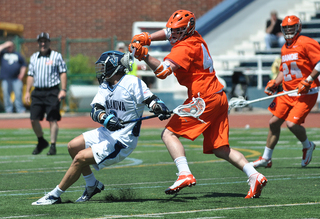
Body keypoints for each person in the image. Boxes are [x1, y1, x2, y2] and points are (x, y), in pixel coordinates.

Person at [129, 9, 267, 198]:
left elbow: (162, 72)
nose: (173, 34)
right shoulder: (194, 36)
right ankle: (254, 175)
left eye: (178, 31)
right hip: (218, 95)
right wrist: (148, 37)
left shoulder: (184, 47)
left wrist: (145, 56)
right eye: (173, 30)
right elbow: (168, 32)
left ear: (187, 30)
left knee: (168, 134)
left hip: (203, 98)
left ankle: (184, 173)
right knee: (220, 149)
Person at [31, 50, 171, 205]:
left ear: (114, 66)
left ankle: (54, 195)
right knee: (73, 147)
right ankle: (92, 185)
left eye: (104, 67)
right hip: (107, 131)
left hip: (122, 140)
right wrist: (106, 119)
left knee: (80, 158)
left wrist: (159, 108)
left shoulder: (131, 82)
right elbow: (95, 110)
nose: (101, 71)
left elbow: (151, 100)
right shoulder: (106, 85)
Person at [250, 15, 320, 168]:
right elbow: (284, 70)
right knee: (273, 123)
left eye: (291, 27)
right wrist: (275, 82)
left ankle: (307, 145)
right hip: (288, 92)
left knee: (291, 124)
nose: (289, 30)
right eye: (286, 28)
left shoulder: (306, 42)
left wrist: (308, 80)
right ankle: (266, 158)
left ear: (298, 27)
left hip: (305, 92)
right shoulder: (285, 47)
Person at [24, 32, 67, 156]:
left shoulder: (56, 56)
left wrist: (63, 90)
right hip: (37, 92)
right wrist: (27, 91)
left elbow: (63, 73)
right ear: (38, 43)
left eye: (45, 41)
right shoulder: (33, 57)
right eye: (41, 41)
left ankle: (53, 145)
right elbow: (30, 75)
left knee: (52, 119)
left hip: (52, 91)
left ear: (49, 42)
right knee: (33, 119)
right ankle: (41, 141)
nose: (43, 44)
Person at [0, 41, 27, 113]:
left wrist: (22, 74)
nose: (9, 47)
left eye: (10, 46)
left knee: (18, 94)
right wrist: (5, 45)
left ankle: (20, 109)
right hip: (5, 78)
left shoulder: (17, 54)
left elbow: (24, 65)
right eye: (8, 46)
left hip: (16, 79)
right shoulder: (3, 54)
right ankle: (8, 109)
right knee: (6, 94)